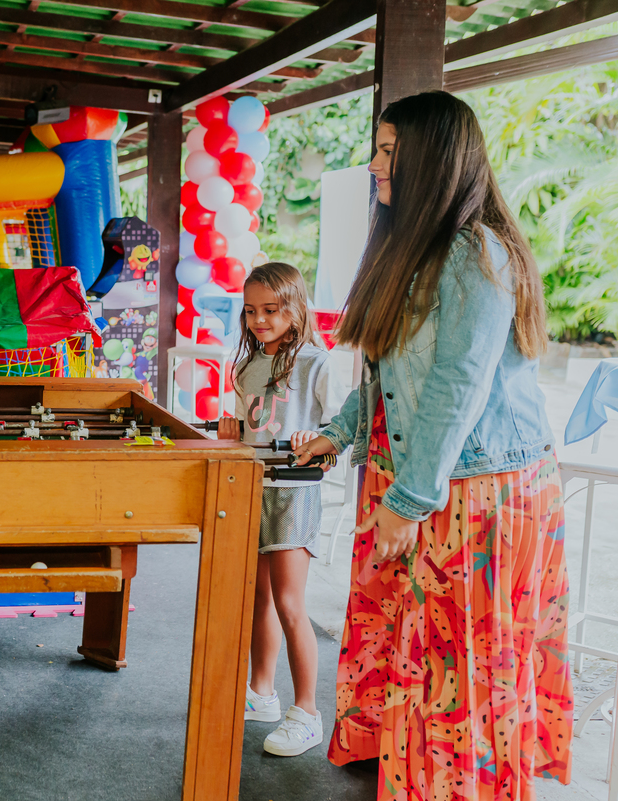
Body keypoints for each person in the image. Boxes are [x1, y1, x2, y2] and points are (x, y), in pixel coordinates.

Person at [294, 91, 572, 800]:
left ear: (432, 158)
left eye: (388, 151)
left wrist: (408, 498)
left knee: (463, 668)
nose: (374, 165)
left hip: (474, 488)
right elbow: (392, 374)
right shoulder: (413, 250)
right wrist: (337, 432)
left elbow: (459, 384)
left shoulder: (476, 251)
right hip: (425, 476)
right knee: (424, 658)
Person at [217, 262, 344, 758]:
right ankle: (262, 694)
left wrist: (319, 439)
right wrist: (231, 433)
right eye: (250, 311)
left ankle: (308, 713)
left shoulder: (317, 362)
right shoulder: (246, 365)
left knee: (291, 604)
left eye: (270, 310)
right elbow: (251, 431)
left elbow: (337, 432)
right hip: (254, 489)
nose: (259, 320)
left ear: (296, 308)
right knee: (259, 599)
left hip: (295, 492)